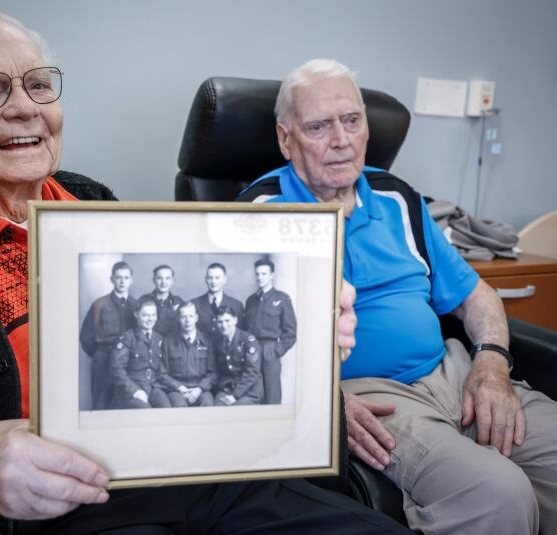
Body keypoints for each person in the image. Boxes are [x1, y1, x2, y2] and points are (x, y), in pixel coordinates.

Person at [0, 8, 411, 534]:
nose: (23, 110)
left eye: (39, 86)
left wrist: (308, 349)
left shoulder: (95, 203)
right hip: (56, 511)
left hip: (198, 474)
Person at [238, 58, 557, 535]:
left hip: (454, 373)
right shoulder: (254, 216)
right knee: (499, 494)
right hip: (371, 394)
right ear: (287, 139)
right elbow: (241, 346)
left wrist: (491, 363)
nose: (341, 139)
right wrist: (322, 405)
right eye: (319, 126)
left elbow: (475, 294)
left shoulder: (398, 199)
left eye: (351, 120)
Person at [80, 261, 137, 409]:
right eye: (118, 277)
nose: (122, 281)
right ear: (112, 279)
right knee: (101, 404)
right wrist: (101, 354)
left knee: (124, 404)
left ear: (131, 280)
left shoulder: (136, 305)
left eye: (125, 277)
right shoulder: (100, 304)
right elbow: (86, 337)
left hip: (128, 363)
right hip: (103, 361)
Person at [243, 258, 297, 404]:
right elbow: (244, 330)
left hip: (269, 350)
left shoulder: (282, 299)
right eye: (257, 274)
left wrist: (276, 351)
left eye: (264, 273)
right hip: (251, 350)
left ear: (272, 275)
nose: (260, 277)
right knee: (251, 391)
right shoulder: (250, 301)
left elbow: (291, 332)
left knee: (271, 394)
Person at [109, 296, 171, 409]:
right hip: (129, 390)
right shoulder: (127, 338)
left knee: (166, 409)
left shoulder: (159, 338)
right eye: (145, 315)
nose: (150, 319)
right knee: (144, 411)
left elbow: (162, 372)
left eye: (153, 315)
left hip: (152, 387)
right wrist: (135, 391)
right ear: (136, 314)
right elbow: (117, 370)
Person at [160, 301, 217, 407]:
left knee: (208, 405)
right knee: (179, 407)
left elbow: (213, 373)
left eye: (191, 316)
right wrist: (179, 388)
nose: (187, 321)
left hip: (200, 389)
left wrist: (199, 389)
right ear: (178, 319)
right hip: (177, 390)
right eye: (183, 317)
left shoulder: (207, 341)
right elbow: (162, 374)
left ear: (196, 318)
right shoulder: (168, 342)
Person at [213, 306, 263, 406]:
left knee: (237, 409)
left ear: (235, 320)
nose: (224, 325)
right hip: (228, 389)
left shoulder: (248, 340)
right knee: (217, 407)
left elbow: (252, 372)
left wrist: (235, 395)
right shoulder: (217, 341)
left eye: (227, 321)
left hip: (249, 391)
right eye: (220, 322)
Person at [191, 262, 244, 335]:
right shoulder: (194, 304)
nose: (213, 281)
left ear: (225, 280)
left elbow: (239, 334)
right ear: (205, 280)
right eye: (210, 278)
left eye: (217, 278)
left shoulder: (237, 305)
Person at [142, 264, 183, 337]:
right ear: (154, 280)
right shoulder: (143, 301)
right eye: (159, 278)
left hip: (172, 345)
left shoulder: (179, 302)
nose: (163, 282)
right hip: (150, 344)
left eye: (167, 278)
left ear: (172, 281)